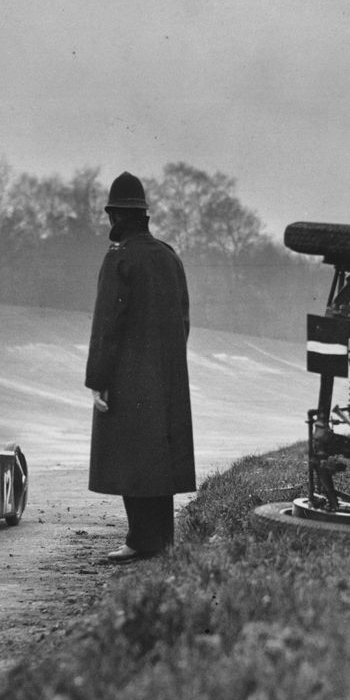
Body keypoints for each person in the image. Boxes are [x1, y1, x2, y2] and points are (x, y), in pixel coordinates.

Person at [85, 171, 196, 563]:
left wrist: (98, 379)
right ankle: (162, 540)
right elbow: (183, 320)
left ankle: (139, 540)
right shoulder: (169, 256)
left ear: (115, 216)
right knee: (159, 461)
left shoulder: (119, 258)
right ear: (144, 214)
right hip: (167, 376)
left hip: (127, 377)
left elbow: (106, 326)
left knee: (131, 460)